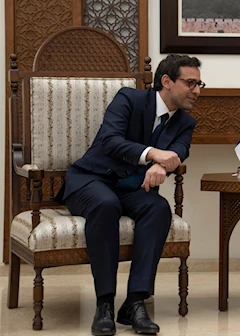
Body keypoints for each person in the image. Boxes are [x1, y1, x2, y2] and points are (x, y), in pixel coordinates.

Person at [59, 54, 202, 336]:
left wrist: (162, 164)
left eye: (200, 84)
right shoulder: (129, 99)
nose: (197, 91)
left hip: (131, 189)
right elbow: (110, 140)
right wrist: (153, 154)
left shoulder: (186, 122)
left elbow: (180, 151)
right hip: (91, 179)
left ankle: (135, 302)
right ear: (166, 82)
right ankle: (105, 305)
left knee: (159, 208)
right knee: (106, 204)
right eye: (191, 83)